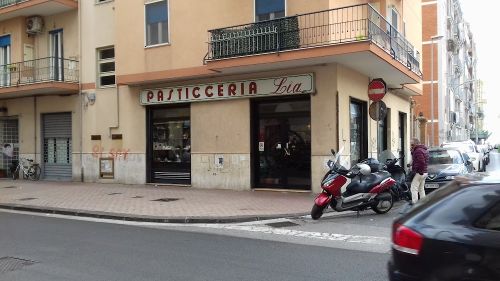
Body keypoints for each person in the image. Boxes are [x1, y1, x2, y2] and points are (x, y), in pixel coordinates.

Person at [409, 138, 429, 204]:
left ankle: (415, 203)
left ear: (416, 143)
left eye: (412, 144)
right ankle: (424, 203)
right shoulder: (423, 149)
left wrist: (418, 170)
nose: (411, 145)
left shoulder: (418, 151)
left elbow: (421, 162)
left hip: (420, 172)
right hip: (424, 172)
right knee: (421, 188)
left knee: (413, 188)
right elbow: (418, 160)